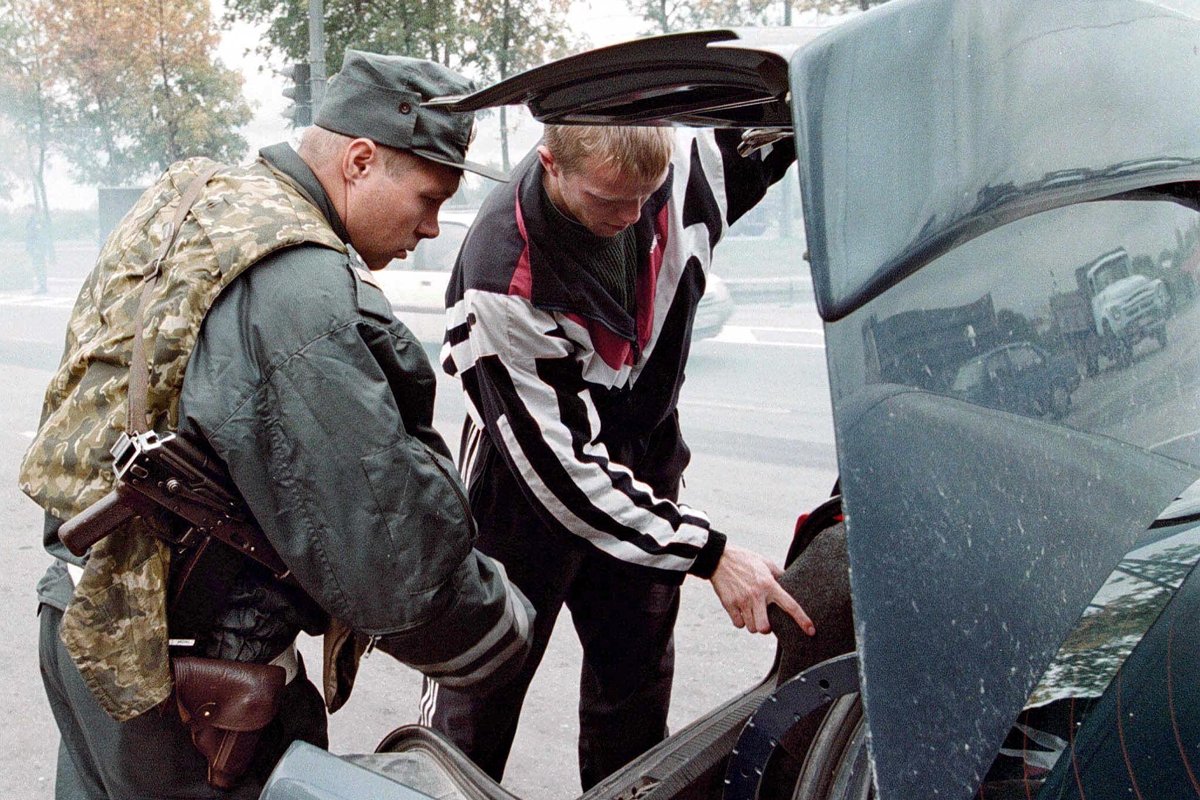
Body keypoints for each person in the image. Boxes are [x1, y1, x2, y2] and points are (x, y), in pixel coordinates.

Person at [22, 51, 531, 799]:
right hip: (189, 681)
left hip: (88, 619)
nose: (430, 228)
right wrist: (496, 631)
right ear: (360, 160)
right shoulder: (294, 279)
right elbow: (380, 536)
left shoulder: (203, 195)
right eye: (428, 197)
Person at [424, 124, 814, 789]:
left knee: (633, 706)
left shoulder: (687, 168)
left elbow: (780, 129)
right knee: (477, 699)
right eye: (610, 199)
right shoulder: (498, 276)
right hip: (526, 484)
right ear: (551, 164)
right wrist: (710, 554)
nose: (634, 216)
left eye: (647, 195)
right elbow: (564, 478)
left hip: (642, 460)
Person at [25, 210, 50, 293]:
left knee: (40, 268)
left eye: (28, 210)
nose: (27, 212)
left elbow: (39, 236)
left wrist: (38, 249)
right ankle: (41, 285)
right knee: (37, 268)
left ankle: (42, 286)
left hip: (37, 251)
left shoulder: (36, 222)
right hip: (35, 250)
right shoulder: (31, 222)